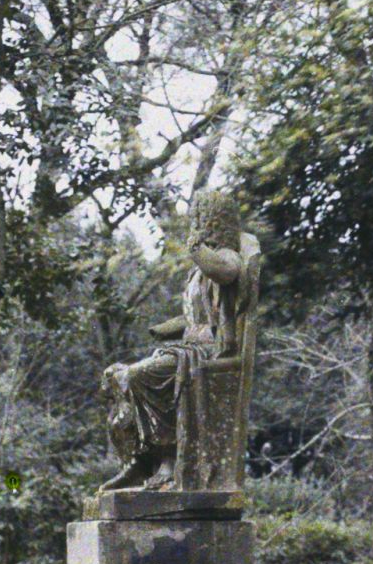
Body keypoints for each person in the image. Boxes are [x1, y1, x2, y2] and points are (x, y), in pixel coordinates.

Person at [99, 192, 258, 492]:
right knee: (116, 375)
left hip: (207, 351)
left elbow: (226, 273)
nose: (195, 226)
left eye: (200, 219)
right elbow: (195, 316)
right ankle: (138, 462)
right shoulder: (196, 273)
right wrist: (167, 328)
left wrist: (198, 249)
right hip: (185, 345)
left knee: (138, 375)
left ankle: (168, 461)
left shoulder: (227, 255)